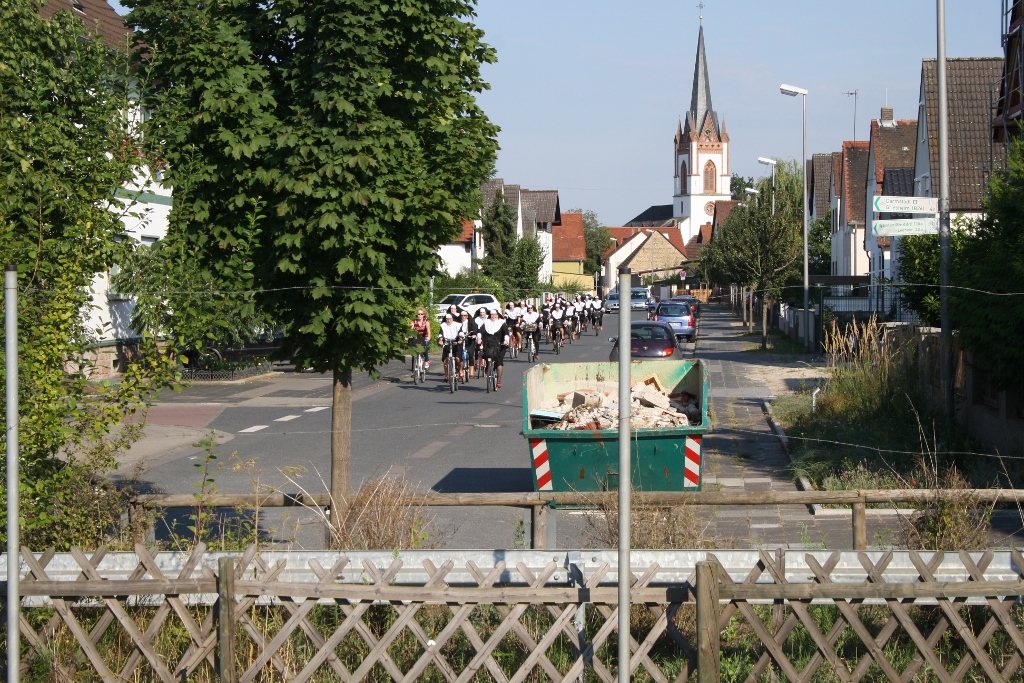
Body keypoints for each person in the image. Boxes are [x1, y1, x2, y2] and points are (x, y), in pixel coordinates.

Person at [478, 308, 510, 388]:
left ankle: (498, 380)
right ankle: (488, 367)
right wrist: (479, 338)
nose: (493, 316)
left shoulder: (502, 323)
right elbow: (480, 331)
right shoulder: (486, 322)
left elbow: (506, 333)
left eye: (495, 314)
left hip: (500, 345)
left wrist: (506, 340)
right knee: (485, 354)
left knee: (499, 362)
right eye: (491, 315)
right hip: (488, 344)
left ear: (497, 315)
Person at [437, 312, 465, 381]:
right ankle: (446, 374)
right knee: (445, 360)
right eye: (447, 319)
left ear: (453, 319)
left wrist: (461, 338)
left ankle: (460, 370)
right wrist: (440, 339)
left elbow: (461, 332)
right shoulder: (443, 325)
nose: (448, 320)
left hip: (456, 342)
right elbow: (441, 334)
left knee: (458, 358)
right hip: (447, 342)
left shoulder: (457, 325)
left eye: (450, 319)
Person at [460, 309, 479, 379]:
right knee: (459, 354)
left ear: (467, 316)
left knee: (471, 354)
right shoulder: (458, 322)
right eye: (462, 315)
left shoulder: (471, 323)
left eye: (465, 315)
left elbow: (475, 329)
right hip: (461, 340)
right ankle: (460, 370)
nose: (463, 317)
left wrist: (474, 334)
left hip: (470, 339)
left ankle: (471, 371)